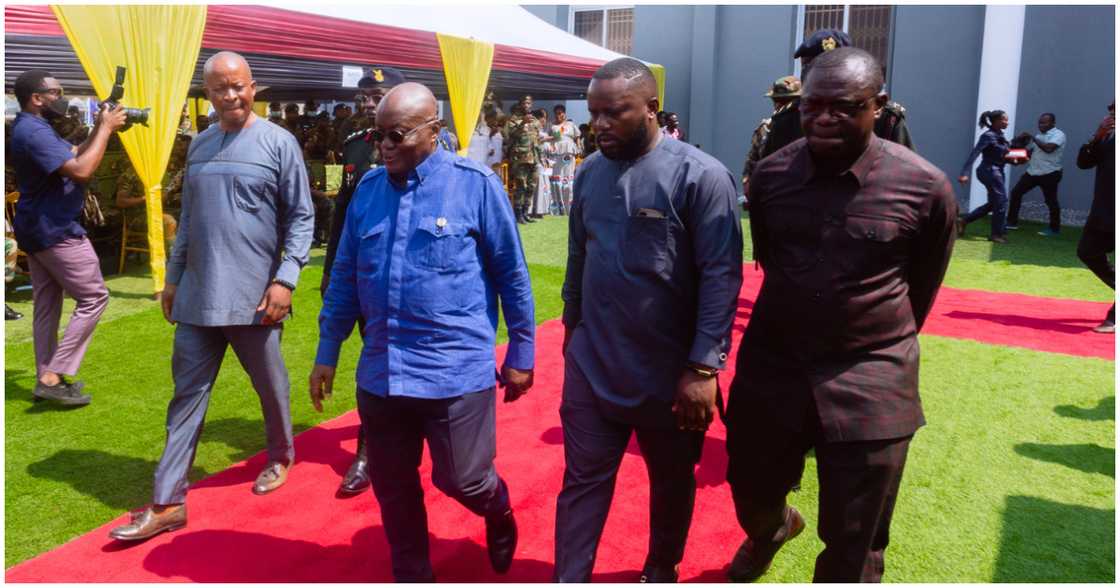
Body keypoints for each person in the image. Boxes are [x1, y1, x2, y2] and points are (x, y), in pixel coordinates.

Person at [725, 47, 956, 583]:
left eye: (843, 107)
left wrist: (870, 333)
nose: (823, 118)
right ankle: (774, 530)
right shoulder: (771, 177)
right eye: (812, 106)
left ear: (878, 106)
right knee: (750, 490)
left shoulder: (925, 187)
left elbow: (921, 288)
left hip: (871, 370)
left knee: (856, 536)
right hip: (774, 366)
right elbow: (771, 265)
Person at [311, 82, 533, 581]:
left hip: (454, 372)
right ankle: (413, 572)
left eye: (397, 134)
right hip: (383, 372)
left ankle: (497, 510)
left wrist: (522, 351)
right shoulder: (368, 190)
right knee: (393, 486)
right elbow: (345, 273)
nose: (384, 145)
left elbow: (512, 274)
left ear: (434, 131)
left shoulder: (475, 186)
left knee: (465, 480)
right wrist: (328, 350)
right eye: (378, 134)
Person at [108, 51, 314, 542]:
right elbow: (189, 223)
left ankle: (281, 454)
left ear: (253, 86)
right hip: (198, 297)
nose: (231, 95)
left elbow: (302, 217)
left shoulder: (279, 143)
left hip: (254, 299)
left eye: (238, 85)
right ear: (209, 94)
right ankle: (168, 501)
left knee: (271, 386)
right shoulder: (199, 146)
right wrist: (174, 278)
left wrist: (285, 279)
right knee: (186, 399)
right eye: (220, 88)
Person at [555, 57, 743, 583]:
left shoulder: (702, 177)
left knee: (670, 479)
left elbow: (720, 278)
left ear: (652, 109)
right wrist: (572, 334)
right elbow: (578, 257)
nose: (600, 125)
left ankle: (661, 568)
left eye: (615, 113)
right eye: (594, 114)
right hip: (593, 365)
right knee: (582, 480)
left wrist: (703, 369)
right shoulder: (590, 172)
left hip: (671, 374)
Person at [10, 69, 127, 406]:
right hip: (54, 228)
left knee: (47, 306)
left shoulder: (33, 127)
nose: (60, 98)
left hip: (37, 226)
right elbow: (82, 170)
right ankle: (51, 375)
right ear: (36, 98)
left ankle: (45, 379)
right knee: (94, 297)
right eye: (55, 92)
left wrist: (100, 127)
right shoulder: (33, 131)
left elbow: (75, 152)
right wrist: (105, 128)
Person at [320, 65, 407, 496]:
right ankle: (369, 450)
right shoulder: (351, 144)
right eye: (365, 98)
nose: (368, 103)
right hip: (358, 271)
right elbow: (340, 211)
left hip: (402, 272)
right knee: (373, 356)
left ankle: (380, 444)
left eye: (377, 96)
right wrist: (330, 269)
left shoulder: (423, 143)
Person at [761, 29, 915, 161]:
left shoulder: (885, 119)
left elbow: (907, 177)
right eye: (815, 68)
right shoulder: (787, 120)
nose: (826, 76)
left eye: (836, 67)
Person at [1076, 101, 1115, 333]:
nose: (1111, 116)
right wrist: (1096, 136)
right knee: (1086, 251)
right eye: (1110, 111)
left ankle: (1114, 317)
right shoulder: (1106, 138)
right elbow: (1083, 163)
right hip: (1104, 210)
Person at [742, 75, 802, 208]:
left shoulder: (811, 129)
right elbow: (751, 163)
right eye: (777, 100)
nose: (779, 105)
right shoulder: (765, 128)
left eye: (786, 101)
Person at [958, 110, 1017, 243]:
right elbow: (975, 153)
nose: (1007, 122)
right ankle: (996, 234)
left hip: (997, 171)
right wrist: (964, 173)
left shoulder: (1000, 135)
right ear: (996, 121)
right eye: (1004, 120)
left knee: (994, 203)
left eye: (1007, 120)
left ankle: (963, 221)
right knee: (1001, 201)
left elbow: (1004, 156)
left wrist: (1020, 157)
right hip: (989, 171)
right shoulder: (988, 136)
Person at [1007, 113, 1066, 235]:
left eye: (1044, 123)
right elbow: (1029, 154)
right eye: (1040, 122)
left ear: (1053, 123)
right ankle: (1011, 222)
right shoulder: (1040, 136)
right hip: (1033, 172)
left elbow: (1049, 149)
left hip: (1050, 173)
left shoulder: (1059, 135)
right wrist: (1013, 150)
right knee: (1016, 192)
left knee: (1051, 201)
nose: (1041, 125)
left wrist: (1033, 138)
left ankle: (1054, 229)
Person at [506, 103, 543, 224]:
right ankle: (518, 214)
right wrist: (522, 123)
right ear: (520, 105)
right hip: (520, 158)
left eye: (530, 103)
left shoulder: (535, 120)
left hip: (534, 157)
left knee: (532, 186)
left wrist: (542, 157)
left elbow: (537, 138)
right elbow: (510, 135)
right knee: (521, 186)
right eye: (525, 103)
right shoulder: (513, 120)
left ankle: (526, 212)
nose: (528, 105)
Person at [549, 104, 581, 215]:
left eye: (560, 113)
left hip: (568, 154)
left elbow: (577, 136)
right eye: (556, 113)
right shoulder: (552, 125)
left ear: (564, 113)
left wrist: (578, 147)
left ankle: (569, 208)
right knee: (557, 180)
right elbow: (548, 139)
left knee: (568, 179)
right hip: (556, 154)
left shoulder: (571, 124)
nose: (559, 115)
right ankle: (558, 208)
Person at [530, 108, 553, 219]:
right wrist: (546, 139)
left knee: (544, 186)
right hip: (535, 160)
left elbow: (547, 147)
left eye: (545, 117)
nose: (544, 120)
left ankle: (541, 209)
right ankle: (533, 210)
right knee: (537, 185)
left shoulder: (544, 133)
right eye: (542, 117)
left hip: (543, 162)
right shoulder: (532, 131)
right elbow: (535, 142)